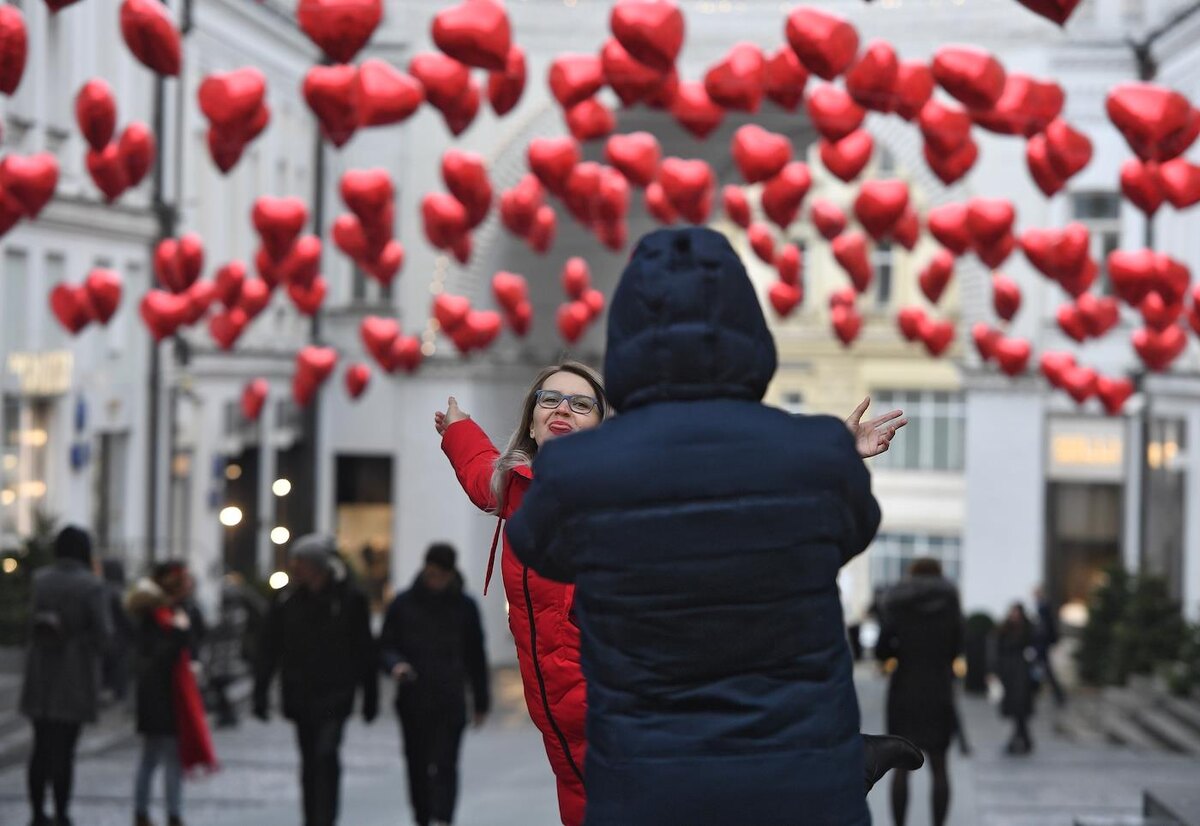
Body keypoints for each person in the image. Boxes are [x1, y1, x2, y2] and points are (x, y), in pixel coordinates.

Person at [505, 227, 917, 825]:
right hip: (796, 785)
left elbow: (537, 544)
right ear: (750, 330)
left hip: (650, 786)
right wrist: (824, 456)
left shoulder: (579, 472)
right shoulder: (815, 456)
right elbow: (851, 528)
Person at [435, 360, 608, 826]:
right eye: (549, 399)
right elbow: (481, 476)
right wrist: (459, 430)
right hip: (556, 719)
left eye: (581, 404)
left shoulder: (612, 492)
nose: (563, 409)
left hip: (606, 713)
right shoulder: (520, 488)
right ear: (531, 419)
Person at [253, 535, 379, 826]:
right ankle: (312, 817)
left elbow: (364, 649)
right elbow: (269, 648)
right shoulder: (286, 601)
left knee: (326, 753)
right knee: (310, 760)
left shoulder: (349, 600)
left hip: (337, 692)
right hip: (300, 693)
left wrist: (369, 695)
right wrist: (261, 692)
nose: (295, 569)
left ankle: (326, 817)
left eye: (302, 563)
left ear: (318, 566)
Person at [379, 543, 490, 826]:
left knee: (446, 764)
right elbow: (385, 645)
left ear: (451, 574)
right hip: (414, 699)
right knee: (417, 765)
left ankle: (442, 818)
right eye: (431, 574)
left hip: (450, 698)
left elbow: (476, 657)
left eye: (440, 574)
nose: (434, 580)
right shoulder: (404, 603)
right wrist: (396, 665)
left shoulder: (465, 607)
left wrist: (481, 702)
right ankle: (423, 817)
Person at [19, 525, 111, 826]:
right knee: (64, 751)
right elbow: (104, 634)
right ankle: (61, 813)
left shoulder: (40, 580)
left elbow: (28, 621)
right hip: (75, 676)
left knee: (40, 747)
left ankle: (36, 813)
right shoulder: (91, 586)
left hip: (40, 673)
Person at [127, 561, 217, 826]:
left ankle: (167, 812)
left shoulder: (185, 611)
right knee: (156, 757)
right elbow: (155, 656)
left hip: (176, 694)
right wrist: (179, 632)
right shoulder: (154, 615)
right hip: (160, 696)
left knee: (164, 757)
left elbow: (195, 641)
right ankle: (152, 812)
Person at [875, 558, 963, 826]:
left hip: (905, 691)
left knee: (901, 767)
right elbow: (957, 647)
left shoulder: (898, 604)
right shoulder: (950, 604)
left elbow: (882, 650)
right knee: (939, 766)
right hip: (939, 689)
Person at [996, 602, 1037, 755]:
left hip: (1021, 673)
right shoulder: (1005, 629)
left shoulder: (1027, 629)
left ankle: (1019, 741)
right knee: (1017, 710)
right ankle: (1023, 740)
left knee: (1019, 708)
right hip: (1009, 673)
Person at [101, 558, 135, 706]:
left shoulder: (100, 590)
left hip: (105, 640)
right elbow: (128, 618)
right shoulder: (119, 592)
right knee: (118, 673)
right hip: (119, 641)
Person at [1032, 586, 1065, 706]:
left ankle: (1058, 695)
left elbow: (1045, 627)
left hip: (1042, 645)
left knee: (1045, 671)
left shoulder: (1043, 608)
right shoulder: (1042, 607)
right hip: (1041, 645)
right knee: (1043, 670)